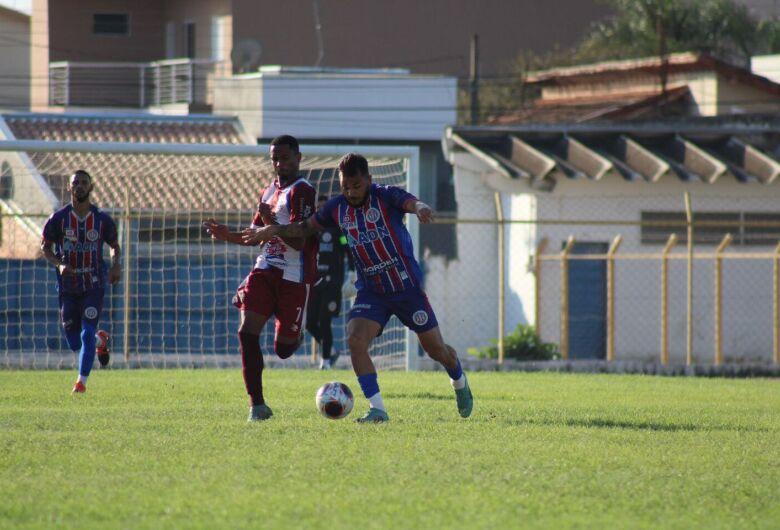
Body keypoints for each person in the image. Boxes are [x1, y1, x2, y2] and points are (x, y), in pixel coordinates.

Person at [242, 153, 473, 423]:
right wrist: (274, 230)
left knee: (436, 351)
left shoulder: (384, 195)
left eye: (356, 186)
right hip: (371, 291)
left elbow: (410, 201)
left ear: (369, 180)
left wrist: (421, 208)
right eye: (345, 187)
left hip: (406, 288)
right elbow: (304, 228)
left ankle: (458, 379)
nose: (350, 193)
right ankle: (378, 410)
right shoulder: (336, 208)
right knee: (355, 339)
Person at [203, 135, 317, 422]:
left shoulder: (302, 191)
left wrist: (271, 226)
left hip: (295, 276)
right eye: (275, 159)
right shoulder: (268, 192)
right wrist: (227, 234)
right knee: (246, 332)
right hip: (265, 270)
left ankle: (295, 333)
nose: (280, 164)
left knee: (284, 350)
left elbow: (300, 243)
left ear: (298, 158)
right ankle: (257, 405)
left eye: (286, 158)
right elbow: (255, 236)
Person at [41, 169, 121, 394]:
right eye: (76, 183)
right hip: (68, 286)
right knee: (75, 342)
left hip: (94, 282)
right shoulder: (59, 219)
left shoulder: (101, 219)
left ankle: (81, 383)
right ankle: (100, 341)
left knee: (86, 332)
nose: (80, 186)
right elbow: (44, 247)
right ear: (69, 188)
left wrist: (115, 265)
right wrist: (59, 264)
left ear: (91, 187)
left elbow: (114, 245)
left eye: (84, 183)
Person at [307, 195, 354, 370]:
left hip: (333, 281)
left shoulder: (338, 229)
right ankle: (332, 350)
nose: (320, 210)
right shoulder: (312, 229)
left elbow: (348, 249)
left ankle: (325, 361)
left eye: (323, 207)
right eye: (318, 207)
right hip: (315, 280)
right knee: (310, 322)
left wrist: (351, 273)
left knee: (324, 319)